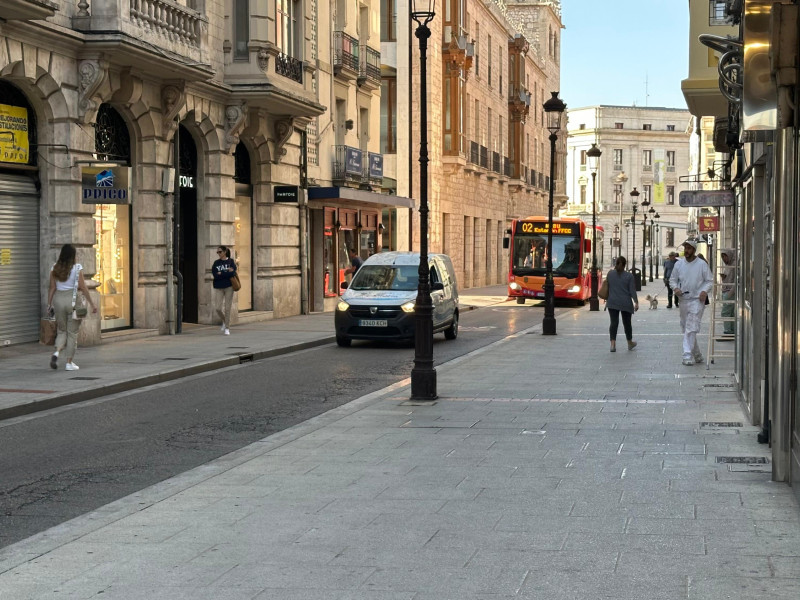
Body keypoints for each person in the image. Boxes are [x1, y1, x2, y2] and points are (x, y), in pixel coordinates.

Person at [46, 243, 98, 371]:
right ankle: (69, 363)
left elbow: (52, 288)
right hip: (72, 301)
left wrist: (49, 304)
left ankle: (56, 352)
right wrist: (92, 303)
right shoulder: (77, 268)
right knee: (72, 333)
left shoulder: (54, 268)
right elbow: (83, 287)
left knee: (62, 331)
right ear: (73, 255)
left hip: (58, 300)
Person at [670, 239, 713, 366]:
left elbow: (709, 280)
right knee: (686, 328)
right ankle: (697, 354)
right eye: (685, 248)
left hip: (697, 300)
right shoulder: (678, 265)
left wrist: (704, 291)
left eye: (689, 248)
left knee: (691, 326)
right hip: (683, 300)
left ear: (694, 250)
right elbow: (672, 280)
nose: (686, 251)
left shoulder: (702, 265)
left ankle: (687, 355)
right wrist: (676, 288)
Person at [605, 255, 639, 352]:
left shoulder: (610, 274)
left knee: (613, 323)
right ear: (625, 265)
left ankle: (612, 344)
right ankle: (629, 342)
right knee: (627, 323)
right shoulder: (629, 276)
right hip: (625, 303)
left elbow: (607, 286)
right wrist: (636, 302)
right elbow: (632, 290)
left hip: (612, 302)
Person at [212, 245, 237, 335]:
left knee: (227, 308)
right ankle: (224, 321)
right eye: (217, 252)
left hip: (229, 287)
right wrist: (226, 272)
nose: (218, 254)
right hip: (219, 287)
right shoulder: (216, 263)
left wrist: (221, 273)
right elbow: (215, 275)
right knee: (218, 308)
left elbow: (233, 273)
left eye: (220, 252)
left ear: (225, 252)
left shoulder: (231, 261)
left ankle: (227, 327)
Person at [719, 248, 737, 335]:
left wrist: (730, 293)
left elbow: (737, 280)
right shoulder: (728, 266)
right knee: (730, 313)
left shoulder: (734, 265)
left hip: (730, 292)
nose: (724, 259)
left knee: (725, 312)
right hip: (726, 290)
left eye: (725, 256)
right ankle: (731, 330)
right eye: (722, 257)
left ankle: (728, 331)